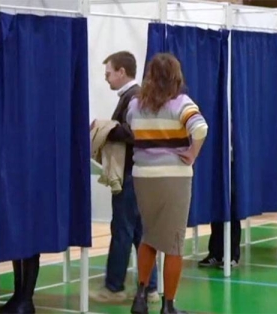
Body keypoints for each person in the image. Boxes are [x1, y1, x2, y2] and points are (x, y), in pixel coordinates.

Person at [128, 53, 208, 314]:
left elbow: (132, 128)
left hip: (142, 177)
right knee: (174, 243)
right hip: (173, 178)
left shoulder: (136, 104)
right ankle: (168, 306)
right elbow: (200, 128)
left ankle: (140, 297)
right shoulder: (181, 103)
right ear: (176, 77)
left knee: (149, 236)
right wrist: (192, 154)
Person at [89, 51, 160, 303]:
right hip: (141, 175)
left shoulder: (133, 98)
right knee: (141, 232)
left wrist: (107, 128)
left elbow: (136, 134)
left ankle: (114, 287)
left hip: (130, 175)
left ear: (121, 72)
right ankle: (150, 287)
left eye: (108, 73)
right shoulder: (137, 97)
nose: (106, 78)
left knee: (122, 230)